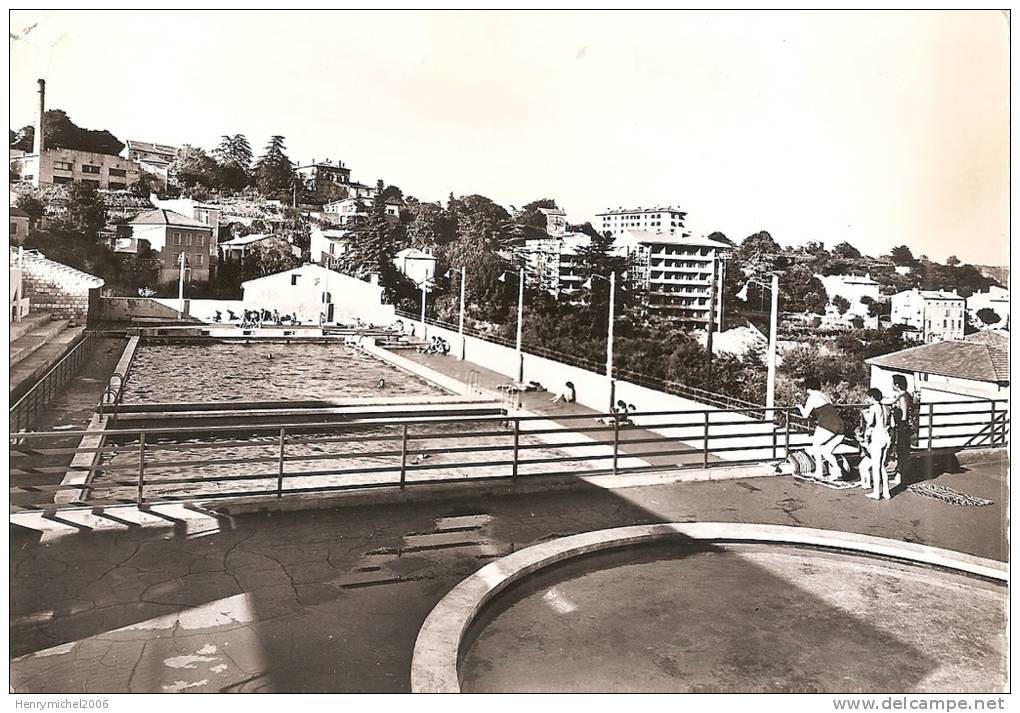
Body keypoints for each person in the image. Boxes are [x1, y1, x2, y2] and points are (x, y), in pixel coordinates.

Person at [797, 376, 846, 481]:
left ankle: (819, 472)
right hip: (839, 425)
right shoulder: (825, 395)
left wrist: (800, 407)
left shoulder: (812, 397)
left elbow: (805, 414)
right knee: (827, 451)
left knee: (816, 446)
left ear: (807, 387)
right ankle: (838, 472)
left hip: (827, 424)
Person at [862, 388, 892, 500]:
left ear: (872, 397)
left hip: (878, 436)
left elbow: (870, 423)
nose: (867, 399)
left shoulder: (873, 407)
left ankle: (876, 493)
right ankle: (886, 492)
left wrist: (865, 416)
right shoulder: (885, 407)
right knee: (882, 466)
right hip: (886, 436)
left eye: (868, 397)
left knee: (876, 466)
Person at [890, 375, 914, 487]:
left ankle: (900, 476)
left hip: (902, 428)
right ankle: (900, 475)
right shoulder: (904, 395)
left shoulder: (903, 397)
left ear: (897, 385)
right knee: (902, 452)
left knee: (901, 451)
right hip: (902, 428)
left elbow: (904, 415)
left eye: (893, 383)